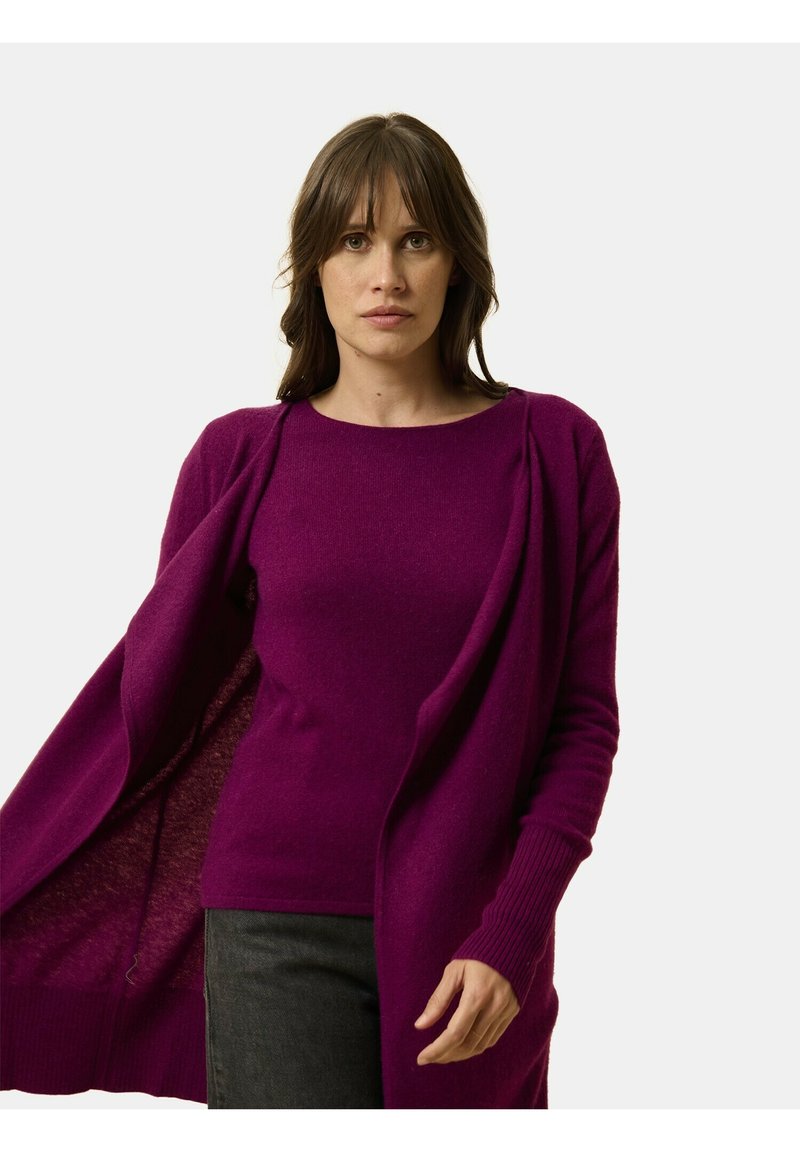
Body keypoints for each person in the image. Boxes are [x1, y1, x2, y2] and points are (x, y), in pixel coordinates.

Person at [0, 113, 621, 1110]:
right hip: (271, 917)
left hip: (471, 930)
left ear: (458, 263)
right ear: (314, 267)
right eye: (354, 240)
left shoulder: (554, 452)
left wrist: (511, 931)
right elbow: (161, 704)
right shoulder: (239, 457)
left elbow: (581, 723)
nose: (386, 275)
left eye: (416, 240)